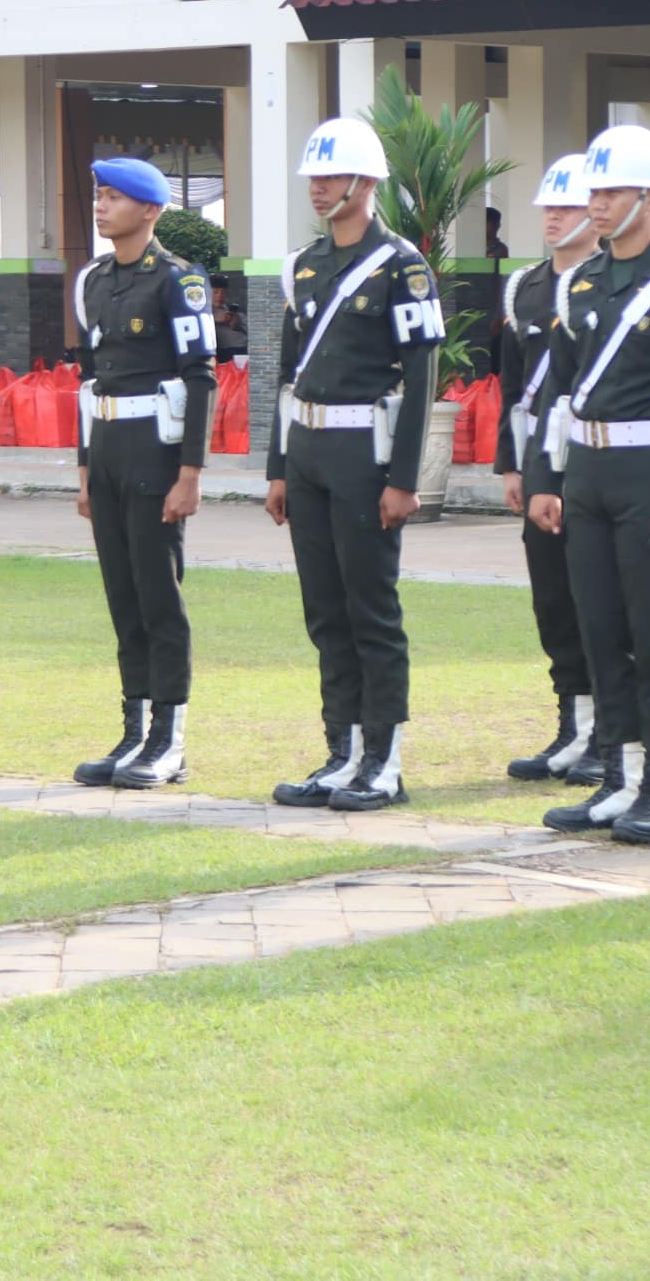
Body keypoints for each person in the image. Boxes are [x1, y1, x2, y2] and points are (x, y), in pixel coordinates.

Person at [526, 124, 650, 842]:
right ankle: (617, 776)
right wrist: (547, 475)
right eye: (594, 192)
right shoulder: (580, 281)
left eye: (610, 192)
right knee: (600, 629)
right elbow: (560, 389)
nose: (597, 204)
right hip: (587, 470)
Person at [265, 118, 445, 811]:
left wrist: (405, 480)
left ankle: (384, 759)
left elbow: (422, 377)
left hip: (366, 454)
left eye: (332, 177)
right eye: (314, 176)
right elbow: (286, 375)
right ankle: (340, 751)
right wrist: (279, 468)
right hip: (308, 451)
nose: (319, 188)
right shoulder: (305, 265)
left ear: (365, 184)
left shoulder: (403, 268)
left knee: (372, 608)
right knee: (325, 609)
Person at [68, 159, 217, 789]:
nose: (101, 206)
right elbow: (87, 377)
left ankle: (169, 738)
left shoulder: (178, 281)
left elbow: (200, 376)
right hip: (106, 445)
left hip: (155, 450)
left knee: (160, 596)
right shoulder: (95, 281)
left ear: (150, 210)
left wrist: (191, 472)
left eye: (114, 197)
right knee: (122, 595)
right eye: (98, 195)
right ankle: (133, 731)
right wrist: (83, 468)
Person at [500, 153, 601, 783]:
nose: (554, 216)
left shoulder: (607, 280)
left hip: (592, 452)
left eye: (567, 206)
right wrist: (513, 466)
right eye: (549, 205)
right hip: (539, 454)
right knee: (552, 599)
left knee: (596, 595)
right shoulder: (525, 286)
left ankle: (607, 730)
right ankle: (573, 721)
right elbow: (514, 384)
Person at [211, 277, 250, 361]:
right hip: (223, 353)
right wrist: (213, 319)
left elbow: (253, 330)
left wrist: (237, 324)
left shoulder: (233, 309)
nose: (220, 296)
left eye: (223, 292)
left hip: (245, 349)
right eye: (215, 292)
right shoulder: (203, 312)